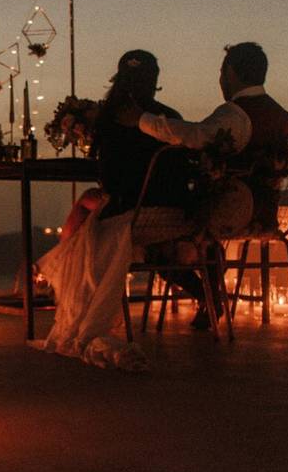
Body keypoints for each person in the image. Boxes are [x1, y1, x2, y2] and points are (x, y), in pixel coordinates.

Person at [118, 42, 288, 328]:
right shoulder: (283, 117)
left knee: (160, 241)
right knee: (186, 231)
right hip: (267, 215)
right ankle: (210, 291)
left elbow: (195, 135)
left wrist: (140, 120)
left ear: (230, 73)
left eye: (221, 71)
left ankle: (207, 293)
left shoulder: (236, 115)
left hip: (231, 213)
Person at [35, 50, 192, 370]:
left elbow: (112, 184)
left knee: (85, 219)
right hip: (178, 213)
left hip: (139, 216)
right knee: (88, 214)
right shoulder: (169, 118)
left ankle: (69, 300)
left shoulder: (110, 123)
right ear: (155, 81)